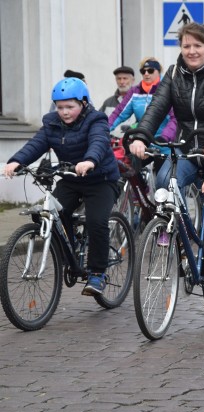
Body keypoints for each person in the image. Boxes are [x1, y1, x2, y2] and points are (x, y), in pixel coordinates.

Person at [128, 22, 204, 308]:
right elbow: (157, 108)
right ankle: (179, 227)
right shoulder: (174, 73)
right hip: (187, 149)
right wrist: (141, 137)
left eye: (197, 46)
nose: (191, 51)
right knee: (164, 181)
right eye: (186, 46)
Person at [4, 77, 120, 296]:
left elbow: (99, 142)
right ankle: (71, 247)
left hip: (100, 180)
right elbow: (36, 145)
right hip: (71, 179)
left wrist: (90, 161)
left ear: (83, 103)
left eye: (70, 106)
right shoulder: (51, 123)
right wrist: (17, 161)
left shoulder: (96, 120)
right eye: (60, 107)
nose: (64, 112)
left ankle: (97, 273)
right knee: (54, 212)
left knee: (97, 222)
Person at [109, 57, 178, 176]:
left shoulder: (167, 90)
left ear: (158, 72)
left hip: (164, 143)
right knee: (131, 175)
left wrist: (164, 138)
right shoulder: (135, 91)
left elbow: (175, 118)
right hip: (142, 143)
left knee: (163, 182)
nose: (146, 74)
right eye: (143, 71)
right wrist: (103, 129)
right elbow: (119, 113)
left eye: (150, 71)